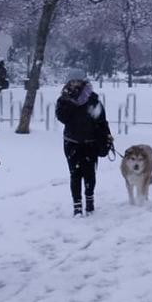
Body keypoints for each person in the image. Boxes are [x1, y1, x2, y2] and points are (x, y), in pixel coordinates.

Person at [55, 68, 113, 216]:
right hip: (71, 141)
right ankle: (77, 205)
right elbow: (62, 118)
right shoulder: (64, 100)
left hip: (90, 142)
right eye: (72, 81)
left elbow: (101, 121)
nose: (75, 84)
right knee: (74, 174)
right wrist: (71, 102)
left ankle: (89, 200)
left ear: (83, 82)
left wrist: (107, 137)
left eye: (78, 81)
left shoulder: (92, 99)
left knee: (90, 174)